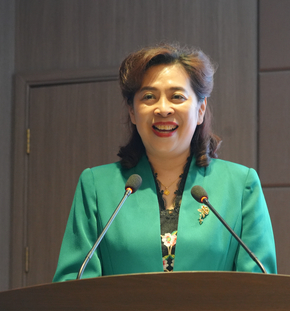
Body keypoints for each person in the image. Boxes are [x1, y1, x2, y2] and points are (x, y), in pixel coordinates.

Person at [53, 43, 276, 282]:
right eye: (149, 97)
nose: (163, 109)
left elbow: (260, 288)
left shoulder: (241, 186)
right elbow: (73, 286)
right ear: (132, 112)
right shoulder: (97, 186)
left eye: (177, 96)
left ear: (200, 109)